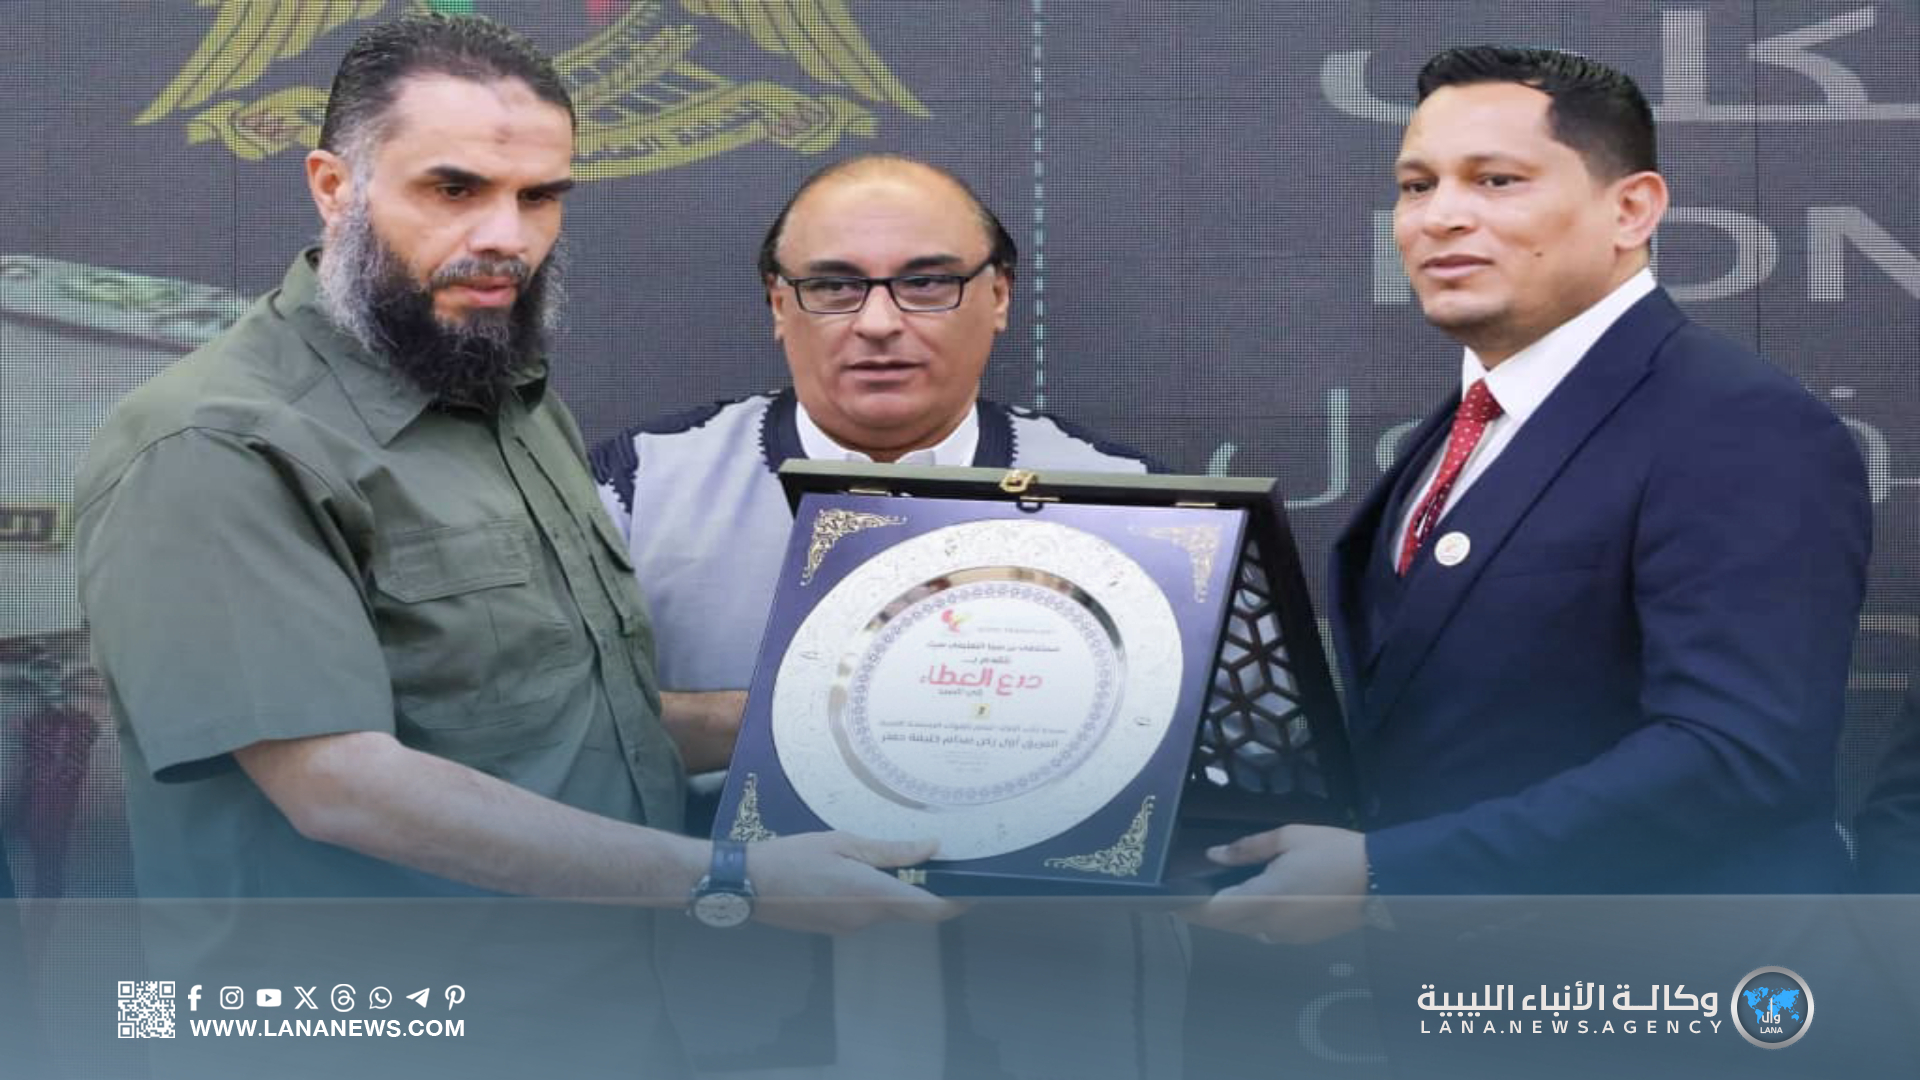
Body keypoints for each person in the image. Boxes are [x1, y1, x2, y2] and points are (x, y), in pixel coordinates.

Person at [75, 12, 951, 926]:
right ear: (334, 188)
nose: (507, 237)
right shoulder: (210, 443)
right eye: (454, 189)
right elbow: (336, 784)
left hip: (619, 987)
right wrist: (732, 878)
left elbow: (574, 724)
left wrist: (850, 718)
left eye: (538, 196)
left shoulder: (509, 400)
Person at [1191, 45, 1871, 943]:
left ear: (1632, 209)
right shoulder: (1472, 421)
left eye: (1497, 180)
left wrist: (1395, 872)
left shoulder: (1740, 424)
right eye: (1417, 185)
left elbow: (1737, 757)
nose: (1441, 216)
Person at [589, 154, 1179, 1080]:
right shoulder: (638, 487)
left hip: (1049, 997)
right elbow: (540, 736)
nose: (877, 322)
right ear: (778, 304)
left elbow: (1220, 767)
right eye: (833, 286)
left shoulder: (1131, 503)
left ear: (999, 296)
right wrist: (781, 722)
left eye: (928, 282)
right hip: (725, 1000)